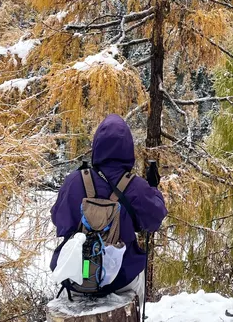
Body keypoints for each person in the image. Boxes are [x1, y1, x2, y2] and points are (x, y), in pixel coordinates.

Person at [50, 114, 167, 303]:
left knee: (74, 287)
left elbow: (59, 221)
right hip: (121, 278)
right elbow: (155, 220)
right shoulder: (136, 187)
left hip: (77, 274)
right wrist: (153, 189)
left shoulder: (74, 181)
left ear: (96, 146)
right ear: (128, 149)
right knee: (137, 276)